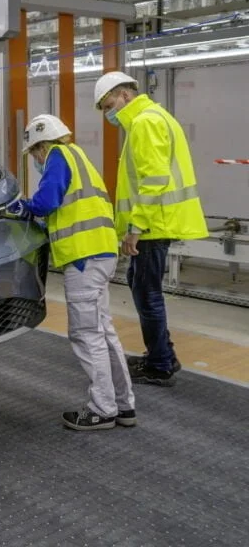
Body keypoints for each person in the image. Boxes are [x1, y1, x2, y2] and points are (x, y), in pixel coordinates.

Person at [7, 114, 135, 431]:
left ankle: (102, 410)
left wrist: (24, 207)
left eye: (34, 153)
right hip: (101, 252)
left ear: (40, 146)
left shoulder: (57, 155)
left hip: (83, 258)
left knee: (86, 333)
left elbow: (48, 200)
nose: (36, 160)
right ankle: (123, 405)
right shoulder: (79, 157)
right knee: (104, 332)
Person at [94, 71, 208, 387]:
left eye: (109, 106)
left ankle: (160, 364)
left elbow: (154, 179)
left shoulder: (145, 122)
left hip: (152, 224)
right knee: (140, 284)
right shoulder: (154, 117)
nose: (108, 114)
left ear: (125, 95)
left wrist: (136, 227)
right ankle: (162, 354)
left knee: (147, 292)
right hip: (155, 221)